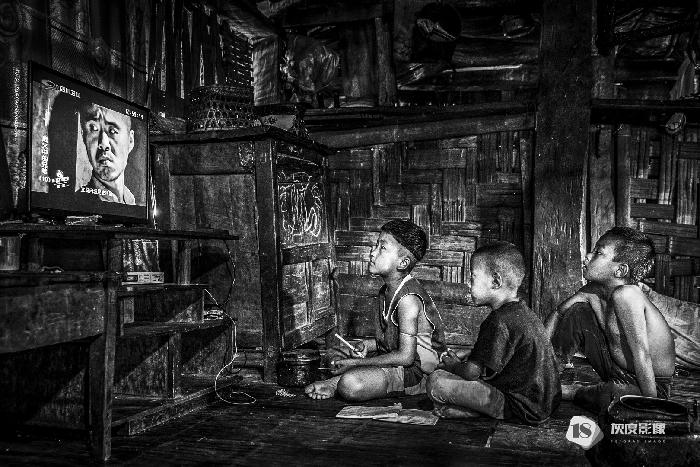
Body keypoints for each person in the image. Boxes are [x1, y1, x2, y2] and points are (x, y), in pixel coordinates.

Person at [304, 220, 446, 401]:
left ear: (403, 262)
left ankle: (336, 383)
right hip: (398, 361)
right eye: (376, 245)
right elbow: (391, 341)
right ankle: (340, 380)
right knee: (335, 355)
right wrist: (367, 345)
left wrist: (357, 363)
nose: (372, 252)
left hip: (419, 374)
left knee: (350, 384)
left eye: (382, 248)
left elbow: (406, 357)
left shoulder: (408, 300)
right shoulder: (385, 291)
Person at [544, 227, 675, 414]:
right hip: (615, 370)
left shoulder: (627, 295)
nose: (588, 256)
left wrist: (651, 405)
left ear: (620, 270)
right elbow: (558, 313)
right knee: (577, 312)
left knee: (612, 397)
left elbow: (641, 354)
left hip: (651, 385)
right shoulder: (592, 291)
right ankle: (545, 379)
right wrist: (539, 361)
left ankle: (571, 392)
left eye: (598, 253)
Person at [427, 242, 561, 425]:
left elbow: (471, 373)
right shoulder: (522, 311)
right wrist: (470, 355)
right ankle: (478, 410)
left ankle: (490, 412)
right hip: (545, 404)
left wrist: (453, 365)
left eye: (472, 277)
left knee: (436, 382)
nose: (468, 284)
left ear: (495, 282)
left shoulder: (498, 320)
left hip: (519, 407)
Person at [76, 103, 135, 204]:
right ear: (83, 137)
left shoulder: (131, 201)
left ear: (130, 140)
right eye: (93, 129)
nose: (103, 144)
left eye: (112, 131)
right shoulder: (78, 202)